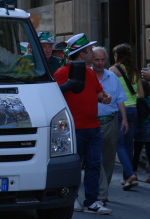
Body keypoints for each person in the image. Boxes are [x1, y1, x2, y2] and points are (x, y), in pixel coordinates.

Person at [54, 33, 112, 214]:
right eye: (89, 50)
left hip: (93, 128)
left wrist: (104, 97)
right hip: (74, 130)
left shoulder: (90, 73)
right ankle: (72, 199)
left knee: (94, 164)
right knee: (74, 168)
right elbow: (55, 98)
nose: (92, 53)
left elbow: (98, 93)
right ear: (81, 54)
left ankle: (92, 201)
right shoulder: (62, 72)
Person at [91, 46, 128, 203]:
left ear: (106, 60)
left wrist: (124, 119)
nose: (100, 63)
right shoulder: (87, 76)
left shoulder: (112, 77)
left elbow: (120, 99)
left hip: (111, 121)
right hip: (92, 122)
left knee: (108, 159)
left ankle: (102, 190)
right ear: (91, 60)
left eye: (102, 59)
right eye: (96, 59)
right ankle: (101, 193)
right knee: (95, 158)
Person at [109, 43, 144, 190]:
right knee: (129, 145)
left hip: (120, 110)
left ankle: (130, 174)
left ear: (116, 56)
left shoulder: (113, 70)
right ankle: (127, 178)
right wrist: (132, 96)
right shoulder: (135, 71)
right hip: (134, 110)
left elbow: (110, 91)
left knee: (119, 144)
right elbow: (141, 94)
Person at [133, 79, 150, 183]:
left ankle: (133, 173)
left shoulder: (136, 100)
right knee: (149, 152)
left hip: (139, 127)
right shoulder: (149, 99)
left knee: (136, 153)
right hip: (149, 127)